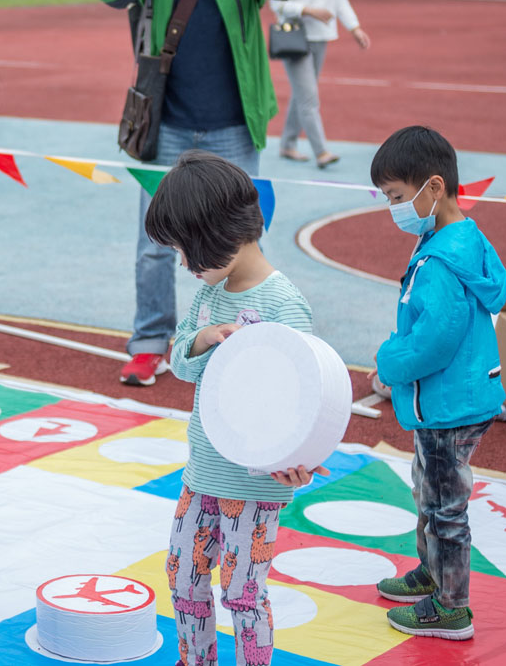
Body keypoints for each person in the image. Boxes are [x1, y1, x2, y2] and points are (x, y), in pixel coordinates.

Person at [145, 150, 328, 665]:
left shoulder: (282, 304)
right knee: (183, 579)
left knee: (243, 595)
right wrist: (204, 338)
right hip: (200, 473)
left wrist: (299, 467)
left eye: (187, 250)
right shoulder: (209, 295)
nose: (184, 263)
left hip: (252, 484)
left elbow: (304, 401)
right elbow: (180, 364)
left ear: (216, 235)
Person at [91, 0, 301, 387]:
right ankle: (151, 342)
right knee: (154, 244)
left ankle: (257, 341)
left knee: (247, 242)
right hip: (165, 121)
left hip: (235, 124)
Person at [368, 125, 506, 641]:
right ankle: (432, 573)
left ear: (433, 187)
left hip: (450, 404)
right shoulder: (456, 236)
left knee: (446, 507)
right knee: (429, 489)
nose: (393, 208)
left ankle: (452, 607)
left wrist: (388, 361)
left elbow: (433, 343)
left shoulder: (441, 262)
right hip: (452, 399)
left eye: (397, 197)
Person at [270, 0, 370, 168]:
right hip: (294, 38)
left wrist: (355, 28)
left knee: (302, 94)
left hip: (321, 37)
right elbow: (276, 3)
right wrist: (307, 11)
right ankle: (321, 152)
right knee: (308, 97)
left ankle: (287, 144)